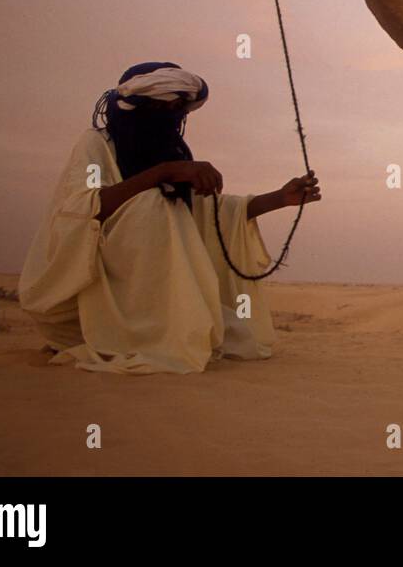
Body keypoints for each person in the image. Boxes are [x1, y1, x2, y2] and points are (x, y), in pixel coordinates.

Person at [19, 61, 320, 374]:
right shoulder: (96, 144)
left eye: (180, 109)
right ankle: (127, 330)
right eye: (166, 106)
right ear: (136, 106)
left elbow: (207, 212)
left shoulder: (168, 151)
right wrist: (162, 174)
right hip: (87, 297)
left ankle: (160, 324)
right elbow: (85, 209)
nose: (174, 117)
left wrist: (279, 199)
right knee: (152, 204)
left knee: (234, 337)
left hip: (157, 302)